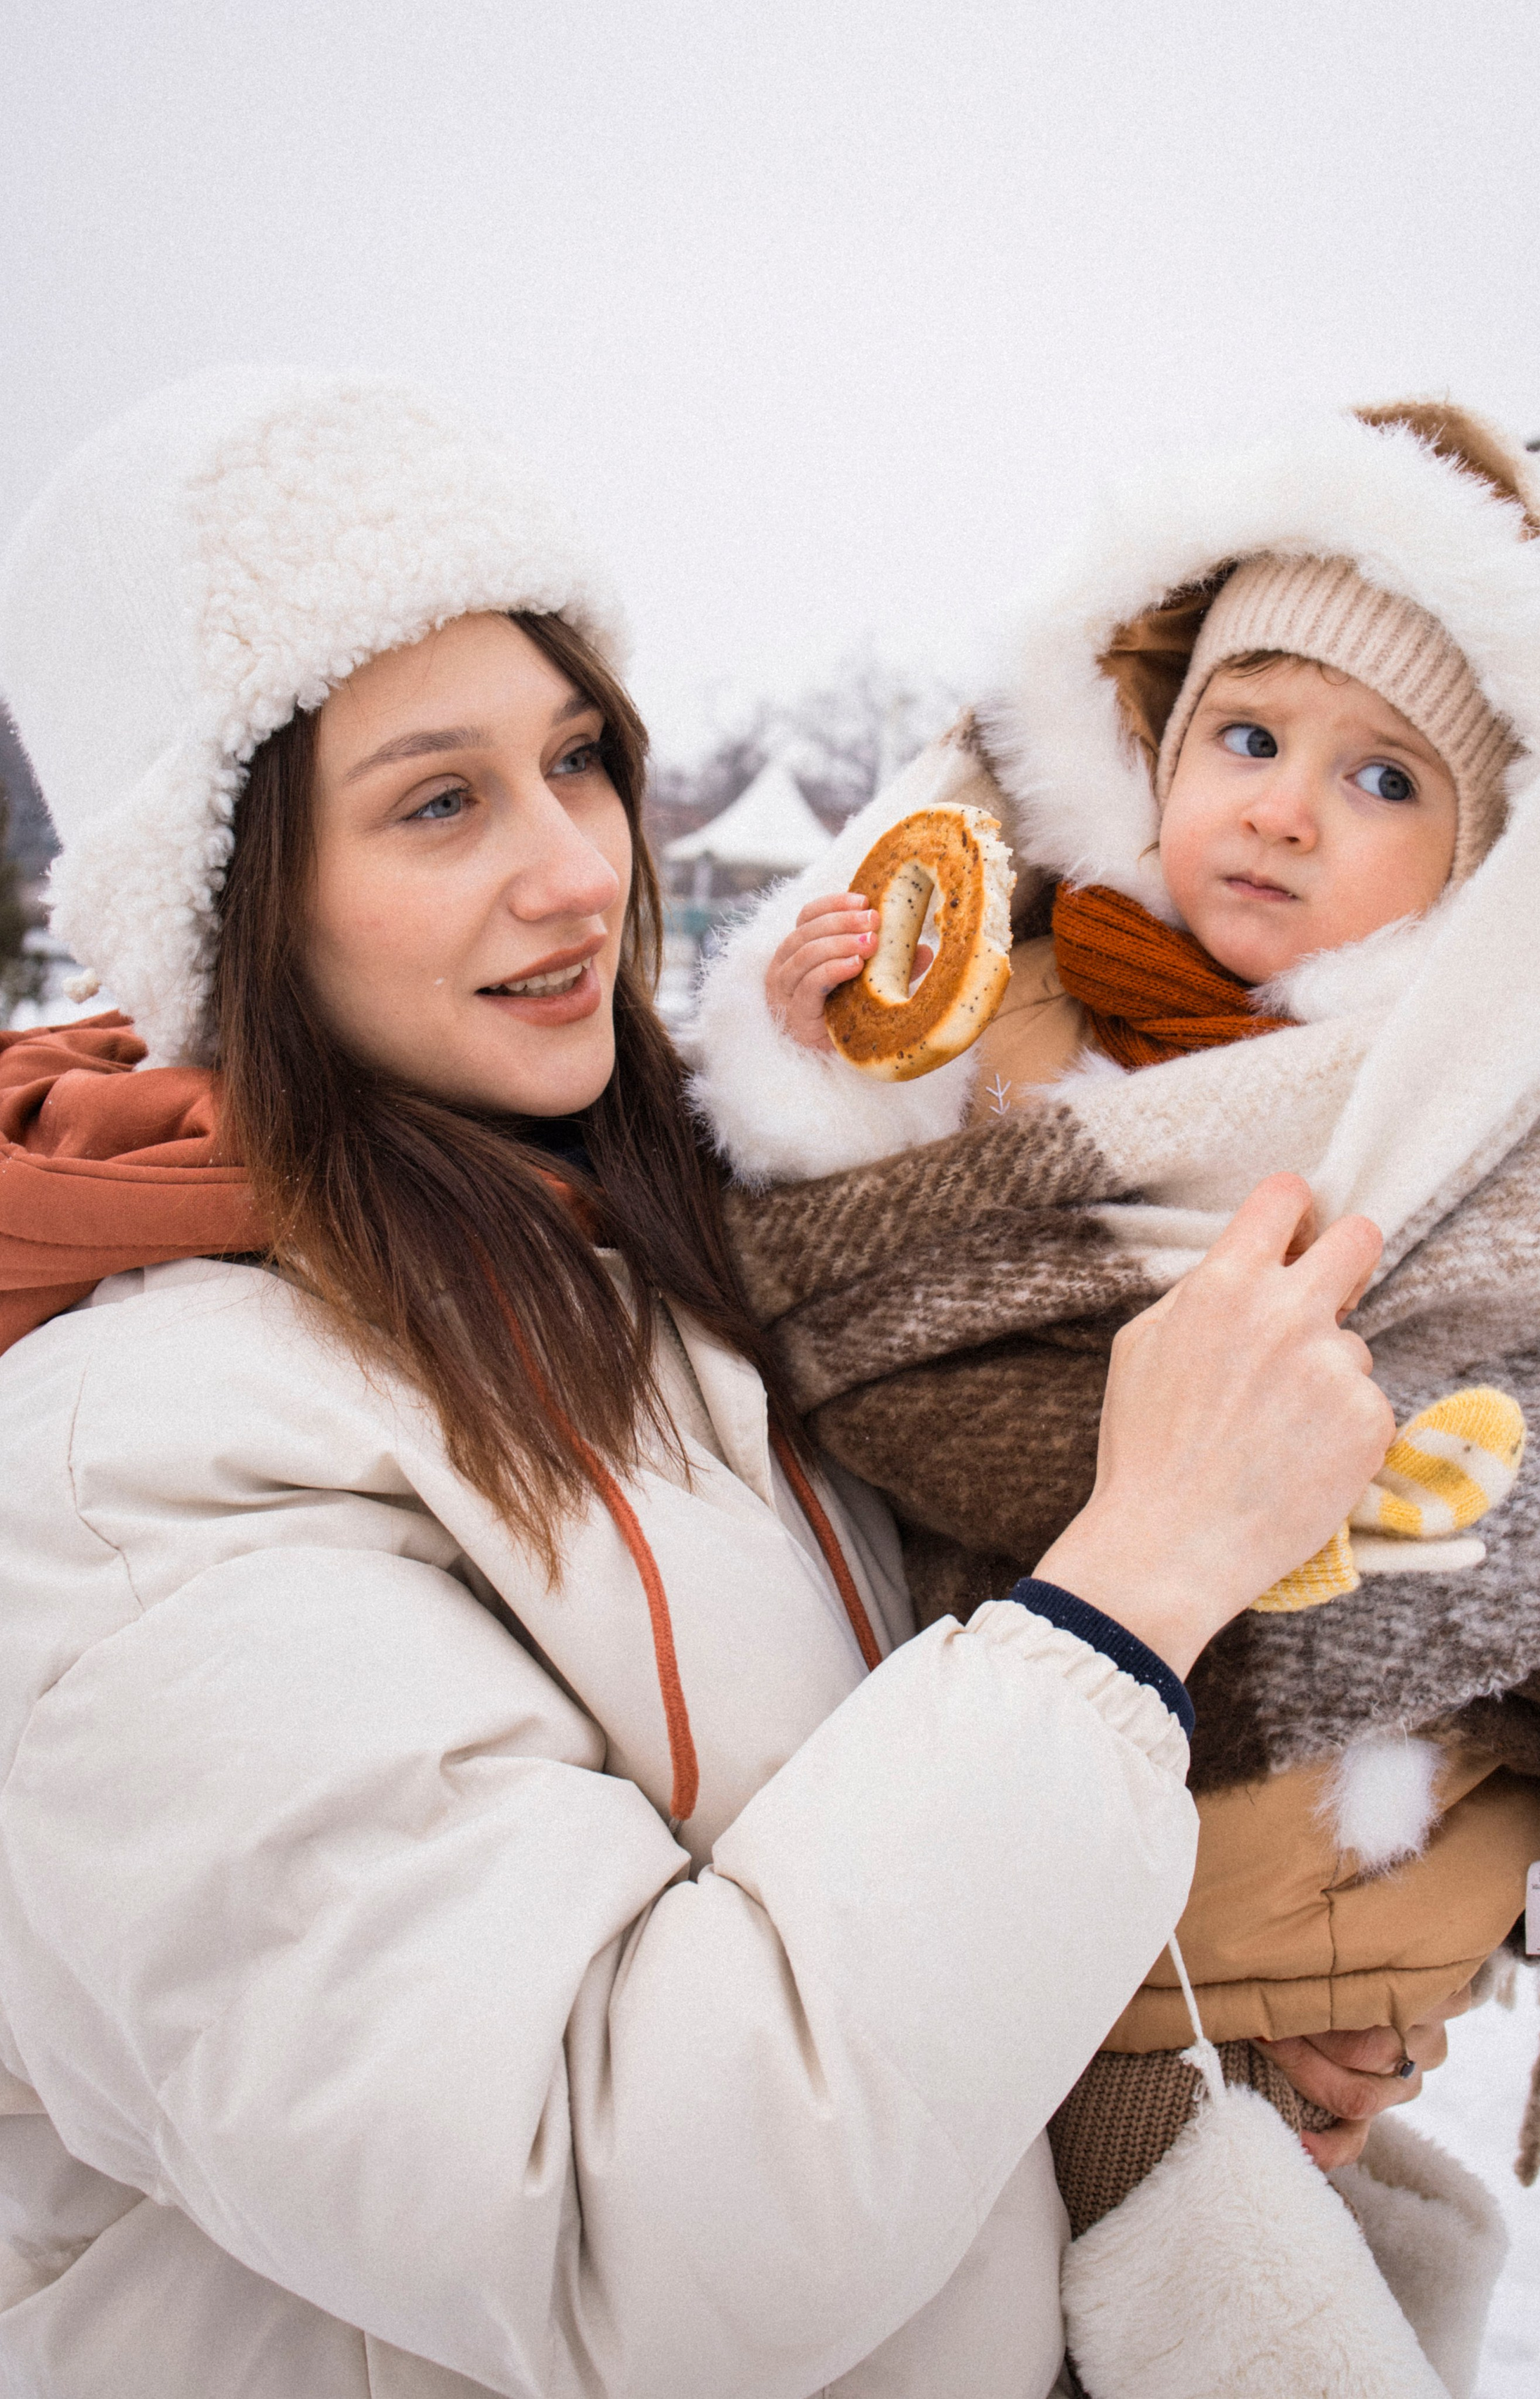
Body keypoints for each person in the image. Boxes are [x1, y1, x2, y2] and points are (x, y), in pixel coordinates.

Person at [0, 368, 1438, 2399]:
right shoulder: (127, 1472)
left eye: (577, 757)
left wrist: (1208, 2012)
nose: (580, 869)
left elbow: (872, 1891)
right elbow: (617, 2223)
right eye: (439, 799)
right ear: (233, 902)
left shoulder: (664, 1276)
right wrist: (1140, 1575)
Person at [687, 400, 1540, 2268]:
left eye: (1385, 783)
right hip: (1015, 1885)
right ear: (1153, 752)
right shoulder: (1009, 1016)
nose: (1285, 805)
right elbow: (826, 1261)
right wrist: (810, 1057)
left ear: (1490, 863)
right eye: (1252, 736)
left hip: (1346, 1884)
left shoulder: (1521, 1143)